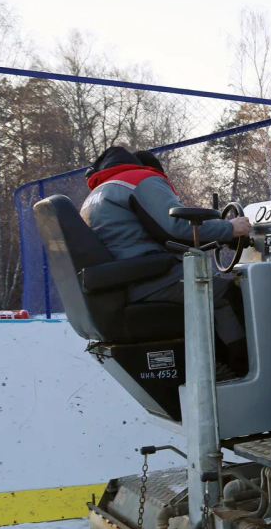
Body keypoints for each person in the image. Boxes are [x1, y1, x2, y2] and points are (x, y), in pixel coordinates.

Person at [81, 146, 252, 374]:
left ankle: (220, 368)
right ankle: (248, 371)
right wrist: (229, 229)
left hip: (123, 283)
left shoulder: (99, 193)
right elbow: (176, 228)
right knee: (228, 294)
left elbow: (148, 235)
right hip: (148, 280)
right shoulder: (141, 179)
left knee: (210, 286)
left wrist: (216, 236)